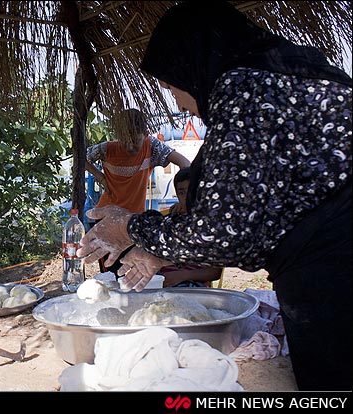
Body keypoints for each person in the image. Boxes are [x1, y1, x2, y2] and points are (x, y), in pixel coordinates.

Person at [77, 1, 351, 391]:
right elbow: (255, 211)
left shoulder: (244, 88)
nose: (175, 100)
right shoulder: (288, 75)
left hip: (334, 274)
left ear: (192, 63)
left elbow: (223, 233)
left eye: (171, 84)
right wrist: (158, 248)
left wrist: (132, 228)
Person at [85, 108, 190, 274]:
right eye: (124, 140)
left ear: (146, 133)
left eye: (135, 140)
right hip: (107, 220)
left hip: (134, 223)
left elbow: (186, 164)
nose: (129, 146)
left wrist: (184, 200)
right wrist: (101, 178)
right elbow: (80, 157)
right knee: (110, 276)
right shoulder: (107, 149)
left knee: (134, 271)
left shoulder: (152, 146)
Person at [159, 167, 222, 287]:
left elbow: (215, 272)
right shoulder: (169, 219)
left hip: (193, 284)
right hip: (162, 282)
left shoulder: (210, 223)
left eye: (191, 191)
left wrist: (182, 275)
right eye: (182, 193)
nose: (187, 198)